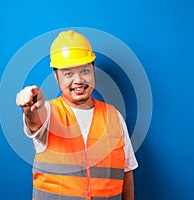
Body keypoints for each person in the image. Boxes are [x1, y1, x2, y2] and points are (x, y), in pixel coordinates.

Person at [16, 30, 138, 200]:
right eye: (68, 73)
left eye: (85, 71)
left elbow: (127, 171)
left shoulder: (114, 116)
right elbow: (34, 121)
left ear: (93, 70)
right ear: (56, 76)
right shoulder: (48, 114)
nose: (78, 80)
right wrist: (30, 107)